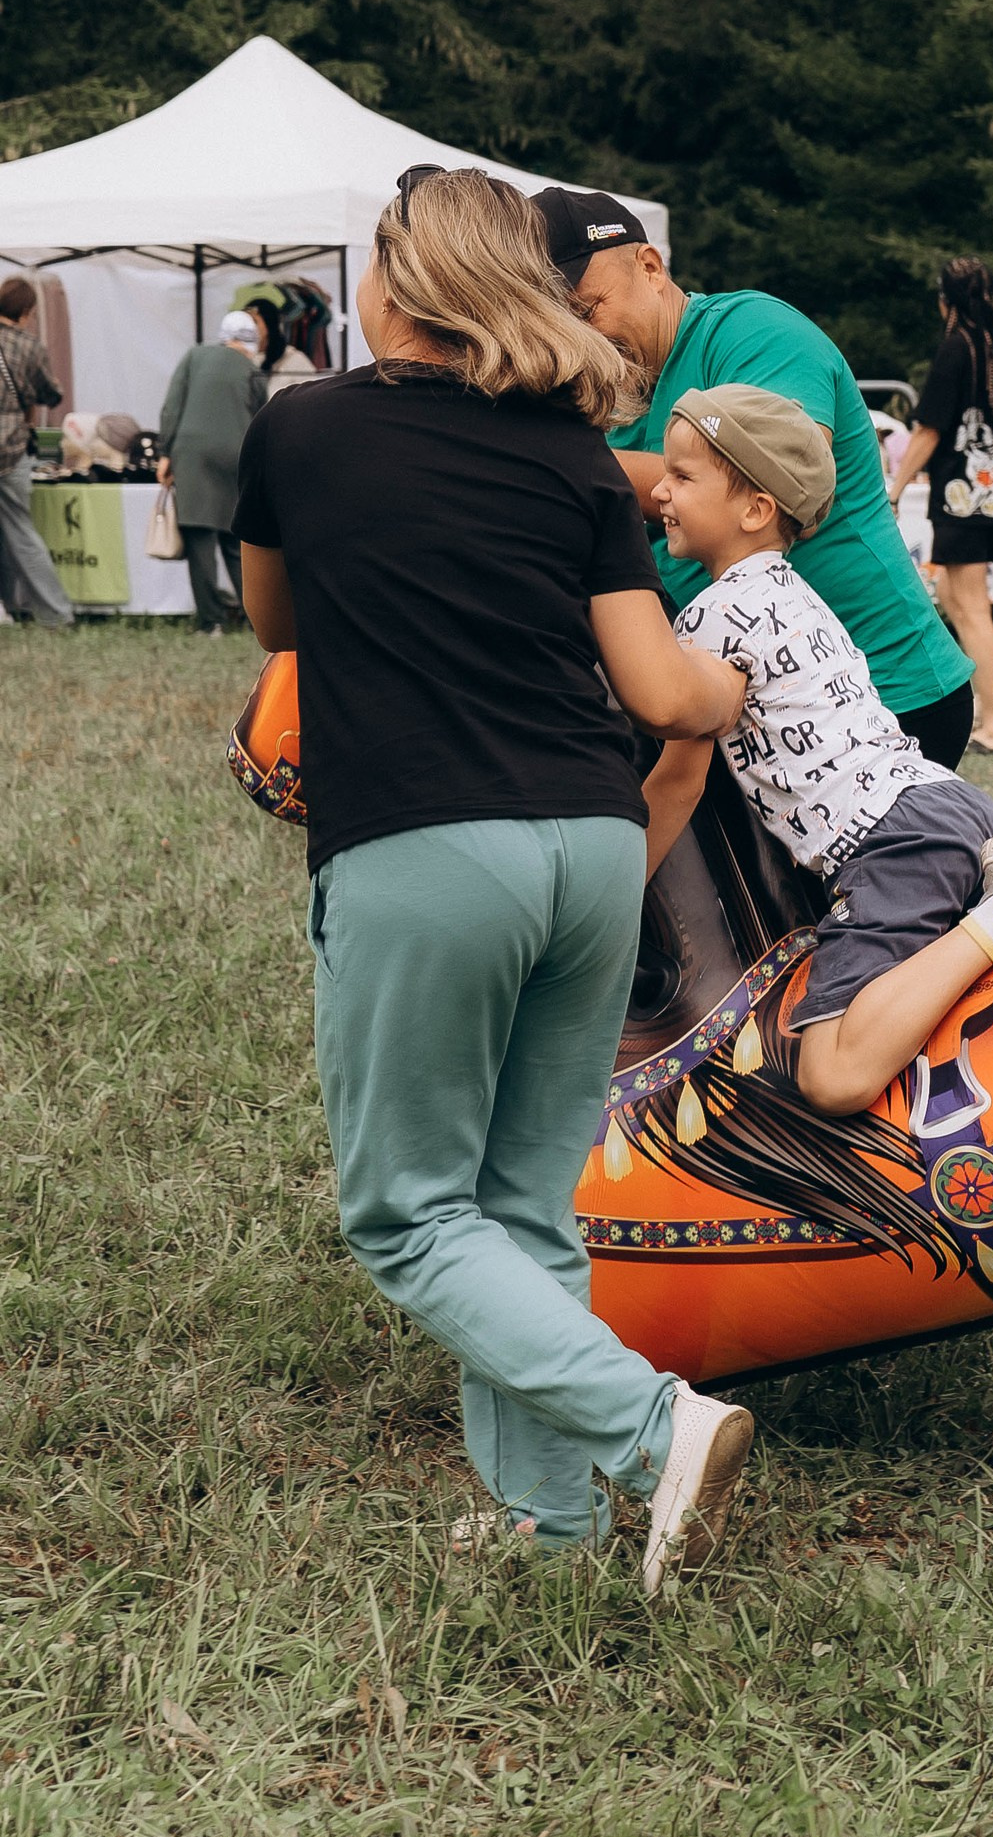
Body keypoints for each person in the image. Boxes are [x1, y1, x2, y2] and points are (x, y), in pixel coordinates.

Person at [233, 165, 758, 1594]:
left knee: (408, 1214)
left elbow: (276, 622)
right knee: (523, 1205)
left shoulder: (302, 429)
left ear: (395, 279)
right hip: (592, 846)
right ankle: (551, 1525)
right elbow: (652, 685)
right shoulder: (574, 454)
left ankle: (654, 1430)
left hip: (425, 845)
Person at [640, 384, 993, 1110]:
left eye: (682, 476)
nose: (658, 490)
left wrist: (614, 891)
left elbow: (678, 781)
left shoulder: (714, 615)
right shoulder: (795, 595)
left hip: (892, 842)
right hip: (941, 804)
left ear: (755, 509)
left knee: (832, 1076)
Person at [530, 188, 976, 769]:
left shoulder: (753, 330)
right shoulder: (605, 393)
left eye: (588, 310)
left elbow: (782, 474)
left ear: (651, 267)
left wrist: (552, 459)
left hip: (882, 693)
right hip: (751, 708)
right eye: (560, 324)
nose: (582, 337)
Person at [880, 259, 993, 754]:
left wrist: (896, 488)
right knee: (953, 594)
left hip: (962, 499)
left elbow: (929, 429)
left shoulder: (957, 348)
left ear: (945, 300)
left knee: (970, 608)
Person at [157, 307, 266, 633]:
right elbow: (261, 419)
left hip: (192, 455)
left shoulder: (195, 357)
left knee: (200, 539)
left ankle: (211, 621)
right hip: (237, 457)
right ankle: (256, 620)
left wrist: (165, 453)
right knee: (237, 542)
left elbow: (172, 407)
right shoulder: (252, 371)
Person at [0, 275, 74, 627]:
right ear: (26, 312)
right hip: (11, 451)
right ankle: (56, 614)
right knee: (20, 534)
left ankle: (7, 607)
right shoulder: (29, 346)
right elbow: (51, 393)